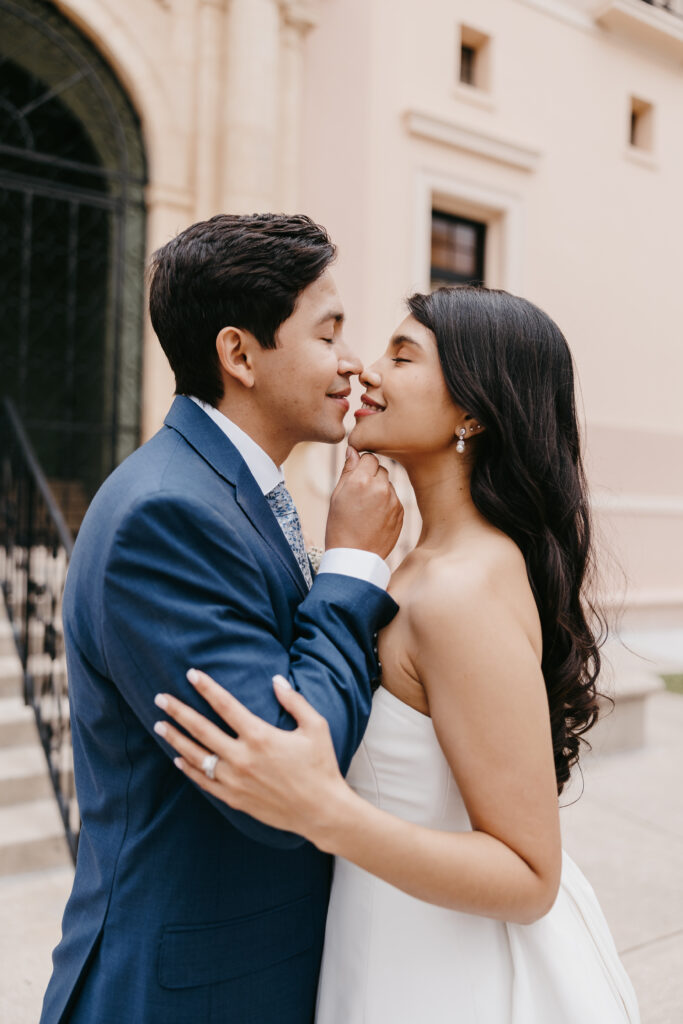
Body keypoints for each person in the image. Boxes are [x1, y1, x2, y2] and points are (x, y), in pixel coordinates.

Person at [154, 286, 641, 1023]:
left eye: (402, 355)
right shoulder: (420, 560)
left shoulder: (459, 590)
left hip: (449, 978)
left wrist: (326, 812)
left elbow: (529, 874)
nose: (365, 371)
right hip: (388, 940)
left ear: (473, 412)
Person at [40, 214, 404, 1024]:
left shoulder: (222, 487)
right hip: (188, 991)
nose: (351, 362)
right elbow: (276, 774)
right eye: (328, 333)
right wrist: (351, 567)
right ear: (239, 355)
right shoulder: (164, 515)